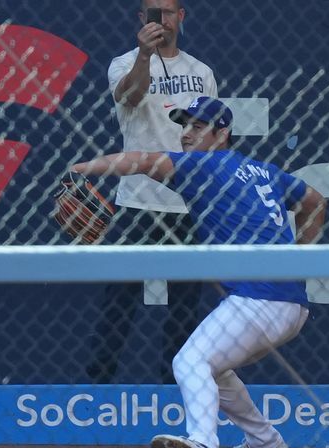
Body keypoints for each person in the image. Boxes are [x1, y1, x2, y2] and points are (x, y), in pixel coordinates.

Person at [73, 97, 327, 448]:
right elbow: (315, 202)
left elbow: (142, 161)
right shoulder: (262, 170)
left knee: (190, 361)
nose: (187, 133)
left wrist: (81, 167)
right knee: (214, 370)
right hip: (290, 305)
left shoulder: (204, 165)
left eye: (197, 126)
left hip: (257, 300)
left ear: (221, 133)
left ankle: (204, 443)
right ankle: (265, 443)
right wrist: (299, 258)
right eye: (184, 125)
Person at [87, 0, 218, 383]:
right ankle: (97, 388)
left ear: (182, 17)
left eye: (169, 11)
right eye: (153, 12)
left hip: (187, 204)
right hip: (136, 201)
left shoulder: (202, 72)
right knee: (118, 304)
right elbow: (129, 97)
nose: (162, 19)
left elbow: (211, 135)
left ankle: (173, 386)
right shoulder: (123, 64)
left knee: (184, 309)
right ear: (141, 20)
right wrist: (144, 54)